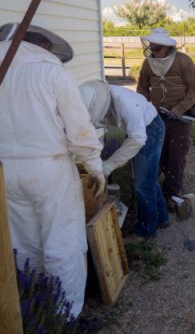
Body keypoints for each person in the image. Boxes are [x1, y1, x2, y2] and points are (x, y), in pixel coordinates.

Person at [0, 22, 105, 319]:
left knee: (23, 242)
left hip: (5, 172)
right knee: (63, 243)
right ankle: (64, 316)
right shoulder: (51, 71)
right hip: (49, 169)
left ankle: (33, 308)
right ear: (43, 46)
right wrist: (95, 167)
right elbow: (80, 129)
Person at [79, 79, 169, 241]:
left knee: (143, 184)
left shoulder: (126, 104)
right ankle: (162, 218)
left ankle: (145, 231)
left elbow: (138, 139)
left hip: (150, 129)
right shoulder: (93, 97)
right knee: (149, 179)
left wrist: (109, 165)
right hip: (138, 129)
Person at [136, 28, 195, 207]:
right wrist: (145, 108)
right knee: (159, 153)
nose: (153, 51)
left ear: (167, 47)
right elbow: (142, 88)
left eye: (157, 48)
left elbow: (194, 88)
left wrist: (179, 109)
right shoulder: (148, 64)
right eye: (151, 47)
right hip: (157, 115)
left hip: (181, 117)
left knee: (177, 155)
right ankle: (154, 191)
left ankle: (172, 194)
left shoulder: (183, 61)